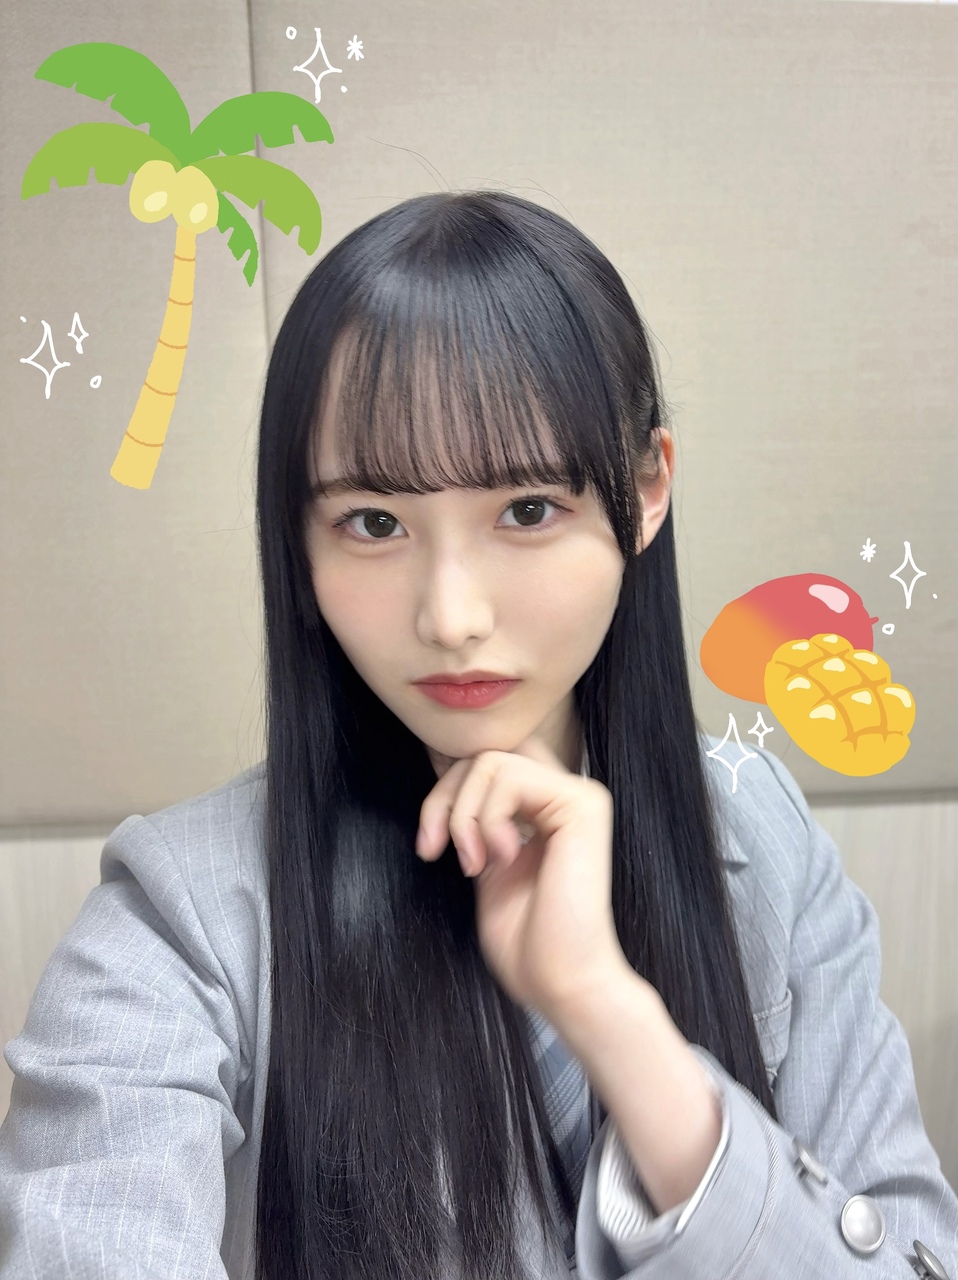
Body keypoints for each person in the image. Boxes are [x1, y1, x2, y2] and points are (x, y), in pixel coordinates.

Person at [0, 190, 954, 1280]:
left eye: (527, 510)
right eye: (374, 523)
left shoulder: (761, 840)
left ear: (647, 488)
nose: (450, 616)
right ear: (299, 540)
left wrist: (613, 1018)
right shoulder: (183, 920)